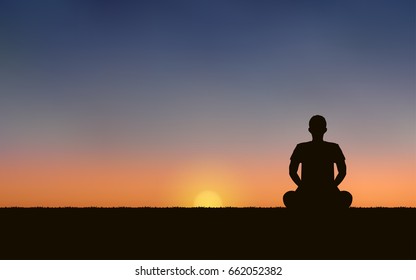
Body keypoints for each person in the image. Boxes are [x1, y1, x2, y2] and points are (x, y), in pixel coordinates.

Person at [283, 115, 353, 209]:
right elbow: (343, 171)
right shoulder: (333, 148)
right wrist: (332, 186)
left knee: (289, 197)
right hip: (320, 190)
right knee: (346, 196)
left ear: (309, 130)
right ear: (325, 129)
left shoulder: (301, 147)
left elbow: (292, 171)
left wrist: (302, 186)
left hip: (311, 190)